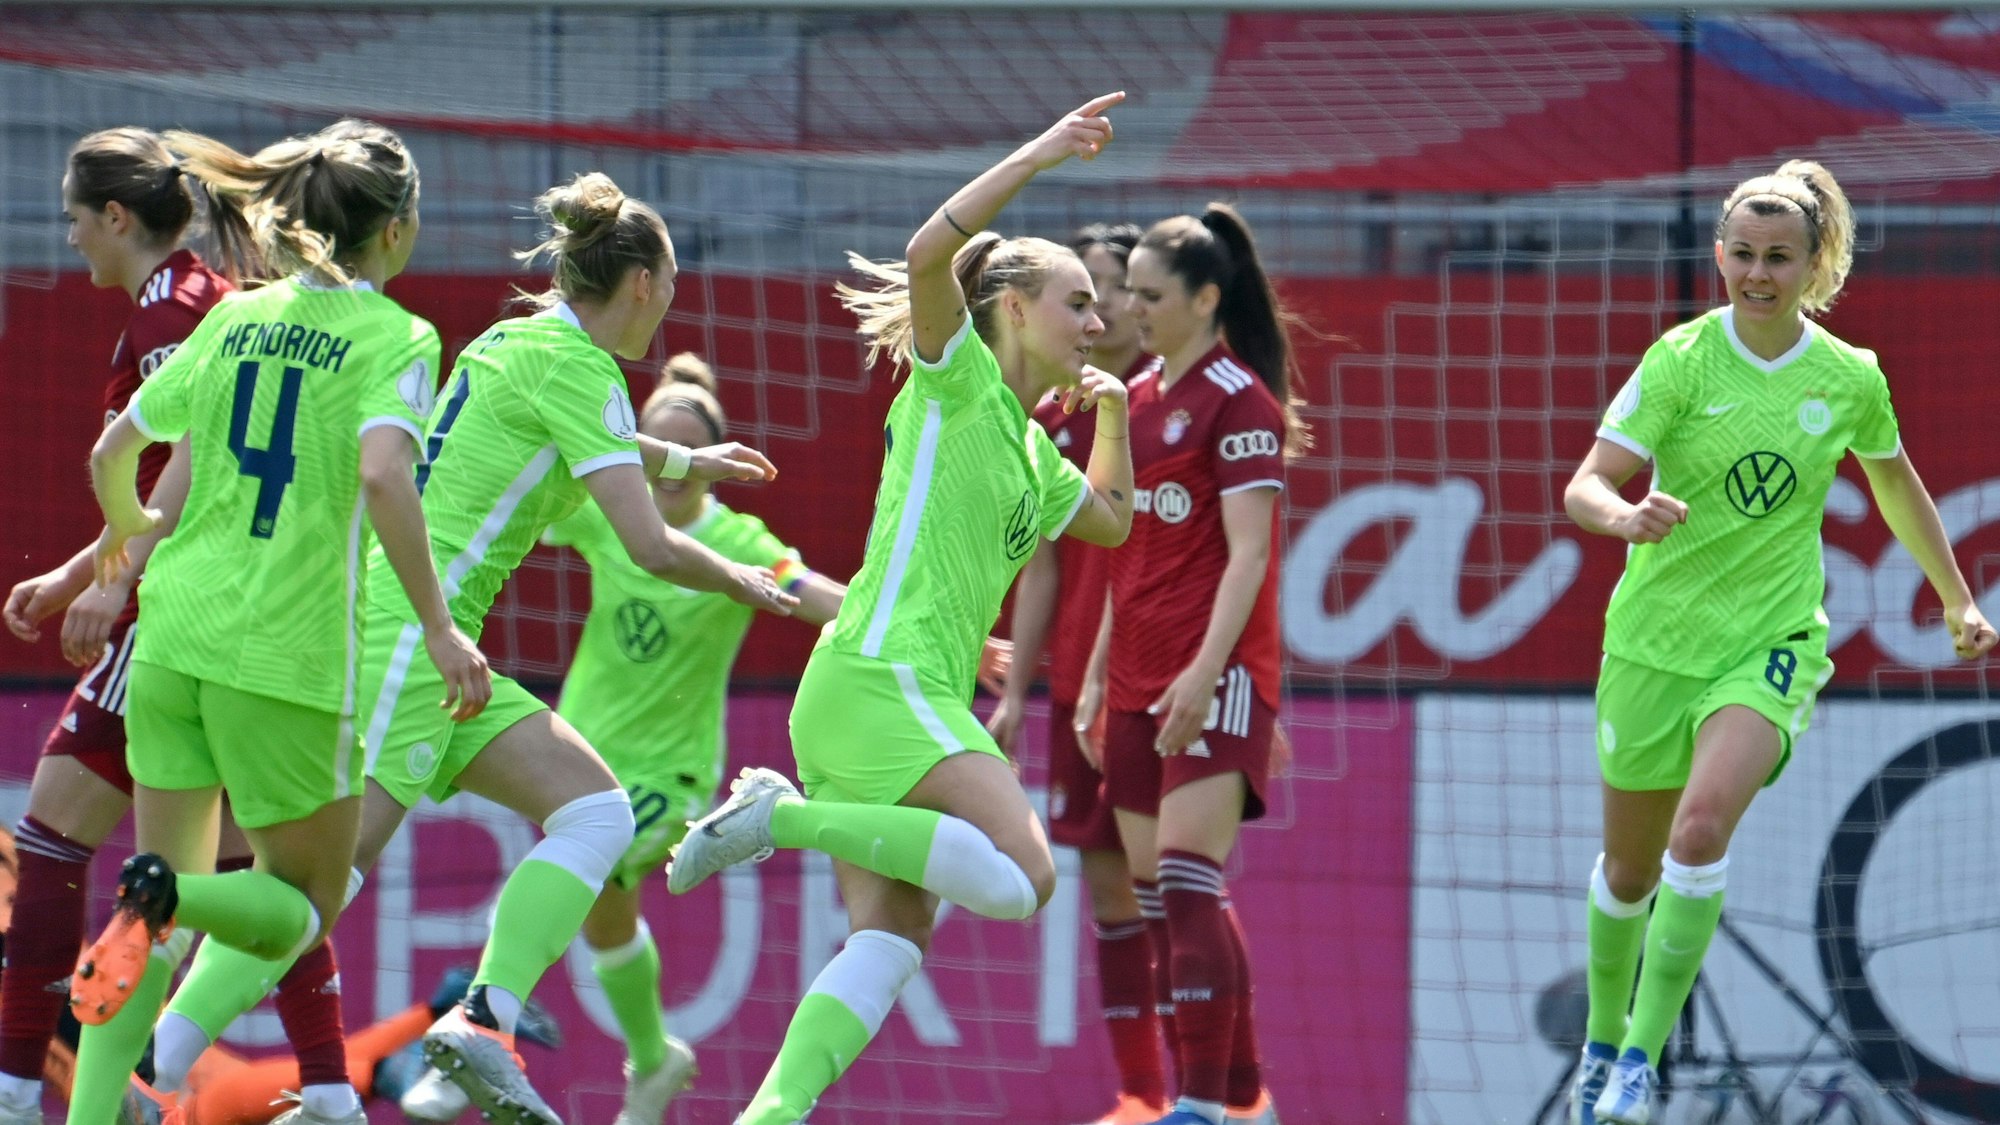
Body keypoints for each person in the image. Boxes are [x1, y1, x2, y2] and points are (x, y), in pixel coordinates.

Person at [664, 93, 1136, 1125]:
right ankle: (775, 816)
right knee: (1025, 879)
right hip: (884, 680)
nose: (1097, 322)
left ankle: (769, 1115)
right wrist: (1040, 151)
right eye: (1077, 302)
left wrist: (1113, 413)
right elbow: (929, 252)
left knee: (890, 938)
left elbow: (1108, 520)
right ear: (1014, 308)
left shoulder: (1029, 445)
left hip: (874, 692)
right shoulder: (957, 381)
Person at [67, 118, 493, 1125]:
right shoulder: (398, 336)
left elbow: (111, 453)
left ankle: (94, 1098)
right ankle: (167, 897)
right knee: (299, 906)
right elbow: (384, 473)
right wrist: (439, 628)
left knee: (151, 927)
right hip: (287, 658)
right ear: (397, 229)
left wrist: (123, 545)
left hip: (172, 639)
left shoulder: (233, 317)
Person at [1562, 160, 1997, 1125]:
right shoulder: (1680, 361)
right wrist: (1624, 515)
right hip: (1652, 643)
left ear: (1813, 265)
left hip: (1771, 640)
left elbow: (1895, 483)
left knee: (1699, 830)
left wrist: (1957, 598)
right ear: (1719, 256)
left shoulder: (1849, 376)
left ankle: (1639, 1059)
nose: (1758, 274)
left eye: (1779, 258)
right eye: (1744, 255)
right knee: (1629, 872)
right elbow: (1587, 482)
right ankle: (1602, 1037)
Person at [392, 353, 852, 1125]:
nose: (671, 471)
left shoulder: (737, 537)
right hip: (586, 747)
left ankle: (482, 1022)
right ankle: (653, 1056)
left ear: (711, 460)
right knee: (606, 917)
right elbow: (532, 490)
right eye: (661, 448)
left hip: (669, 772)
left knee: (584, 871)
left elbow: (808, 591)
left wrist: (894, 630)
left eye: (687, 452)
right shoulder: (611, 512)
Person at [1079, 203, 1301, 1125]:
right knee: (1161, 897)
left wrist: (1208, 671)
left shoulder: (1241, 401)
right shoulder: (1131, 401)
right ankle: (1244, 1098)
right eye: (1128, 293)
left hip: (1217, 674)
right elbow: (1122, 554)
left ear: (1206, 298)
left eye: (1150, 294)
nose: (1130, 309)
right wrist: (1097, 676)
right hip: (1135, 674)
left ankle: (1200, 1105)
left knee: (1186, 876)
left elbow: (1250, 556)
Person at [989, 222, 1171, 1125]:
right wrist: (1020, 689)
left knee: (1172, 881)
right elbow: (1044, 565)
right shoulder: (1053, 419)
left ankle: (1209, 1088)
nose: (1104, 313)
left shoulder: (1169, 408)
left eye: (1118, 291)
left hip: (1156, 681)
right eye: (1086, 294)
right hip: (1076, 686)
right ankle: (1142, 1092)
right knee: (1107, 886)